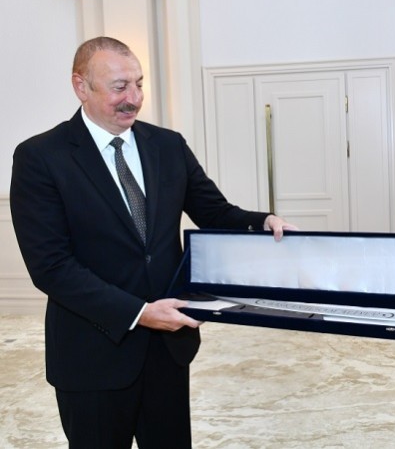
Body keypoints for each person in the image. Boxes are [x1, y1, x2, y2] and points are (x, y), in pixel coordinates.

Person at [10, 36, 297, 448]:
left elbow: (216, 213)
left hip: (168, 351)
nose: (134, 98)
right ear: (81, 86)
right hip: (93, 357)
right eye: (120, 86)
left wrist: (263, 222)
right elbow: (51, 267)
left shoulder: (167, 145)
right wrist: (140, 313)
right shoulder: (41, 157)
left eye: (139, 84)